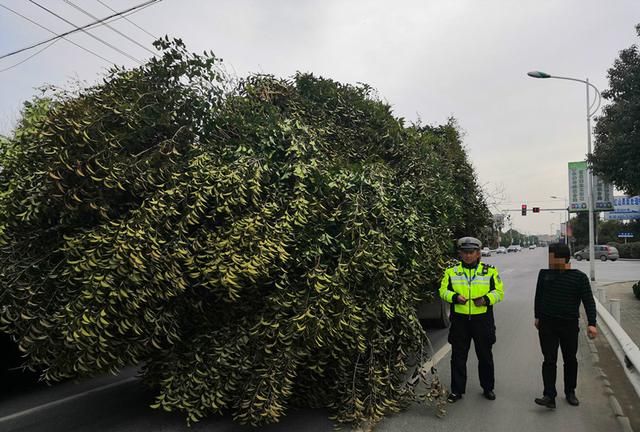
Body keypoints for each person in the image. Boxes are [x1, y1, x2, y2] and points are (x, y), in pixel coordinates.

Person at [439, 236, 505, 403]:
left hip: (482, 320)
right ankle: (457, 391)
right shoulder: (451, 271)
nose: (468, 255)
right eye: (465, 252)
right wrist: (454, 297)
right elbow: (442, 292)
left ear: (478, 254)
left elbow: (499, 293)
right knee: (458, 356)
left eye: (472, 252)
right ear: (460, 254)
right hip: (460, 320)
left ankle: (488, 388)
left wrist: (485, 299)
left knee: (485, 356)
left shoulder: (489, 271)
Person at [534, 243, 597, 409]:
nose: (548, 259)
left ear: (561, 258)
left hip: (569, 325)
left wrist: (592, 323)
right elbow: (538, 296)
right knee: (549, 360)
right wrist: (537, 316)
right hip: (547, 324)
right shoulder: (544, 274)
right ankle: (549, 395)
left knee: (570, 359)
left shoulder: (579, 277)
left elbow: (588, 301)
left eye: (551, 256)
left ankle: (570, 392)